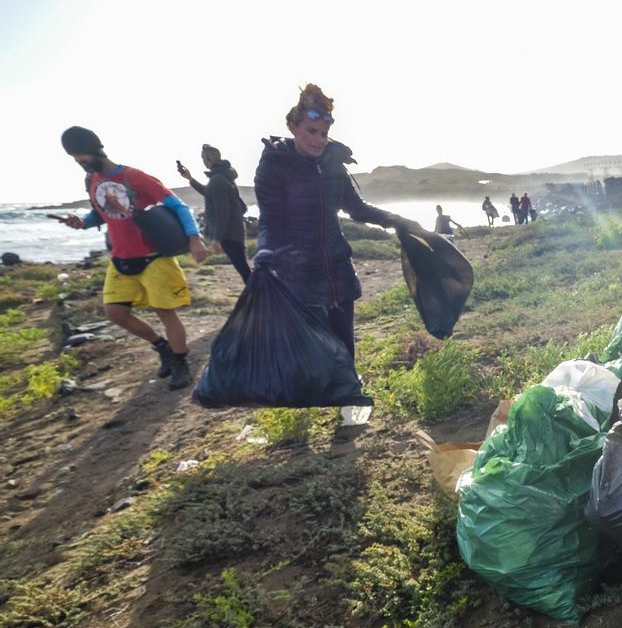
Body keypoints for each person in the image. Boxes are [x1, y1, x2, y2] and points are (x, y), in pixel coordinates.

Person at [254, 84, 419, 422]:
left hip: (337, 264)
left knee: (344, 337)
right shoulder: (274, 166)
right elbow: (269, 220)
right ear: (294, 127)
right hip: (298, 270)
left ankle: (348, 395)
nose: (318, 139)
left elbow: (356, 208)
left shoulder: (331, 165)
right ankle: (311, 395)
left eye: (325, 133)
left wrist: (396, 220)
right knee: (314, 341)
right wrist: (266, 251)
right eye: (312, 131)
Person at [55, 126, 208, 389]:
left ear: (96, 151)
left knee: (165, 313)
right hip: (121, 258)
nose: (81, 165)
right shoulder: (92, 181)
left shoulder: (134, 176)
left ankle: (181, 362)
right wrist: (82, 222)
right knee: (115, 312)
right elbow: (102, 213)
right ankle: (163, 348)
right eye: (76, 161)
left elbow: (178, 205)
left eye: (82, 159)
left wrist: (194, 238)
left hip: (153, 257)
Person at [178, 144, 250, 283]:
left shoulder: (218, 180)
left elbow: (222, 211)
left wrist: (217, 239)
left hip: (230, 234)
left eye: (203, 158)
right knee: (244, 269)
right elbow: (209, 194)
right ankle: (260, 298)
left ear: (209, 160)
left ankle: (262, 299)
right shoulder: (222, 176)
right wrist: (190, 179)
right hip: (234, 231)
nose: (203, 161)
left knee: (244, 271)